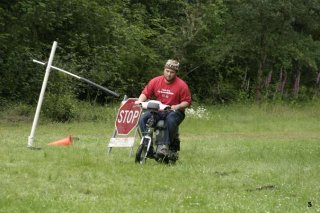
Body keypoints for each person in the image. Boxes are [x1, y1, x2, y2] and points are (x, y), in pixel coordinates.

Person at [135, 59, 192, 156]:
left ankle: (164, 146)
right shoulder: (155, 81)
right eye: (167, 71)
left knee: (170, 120)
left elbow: (187, 102)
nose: (169, 74)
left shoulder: (182, 85)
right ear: (164, 69)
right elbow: (145, 93)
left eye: (172, 72)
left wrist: (177, 106)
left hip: (175, 112)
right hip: (159, 110)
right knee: (143, 119)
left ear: (176, 73)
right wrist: (140, 101)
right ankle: (147, 144)